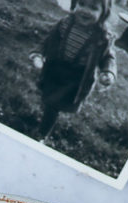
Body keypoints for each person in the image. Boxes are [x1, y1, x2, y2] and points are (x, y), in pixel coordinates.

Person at [34, 0, 117, 140]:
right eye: (82, 4)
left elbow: (108, 56)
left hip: (76, 78)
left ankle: (42, 134)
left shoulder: (101, 36)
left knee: (54, 105)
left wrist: (108, 71)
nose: (85, 10)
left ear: (103, 14)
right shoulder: (66, 23)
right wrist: (38, 53)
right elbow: (50, 40)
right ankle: (45, 117)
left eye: (93, 8)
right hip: (56, 68)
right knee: (48, 97)